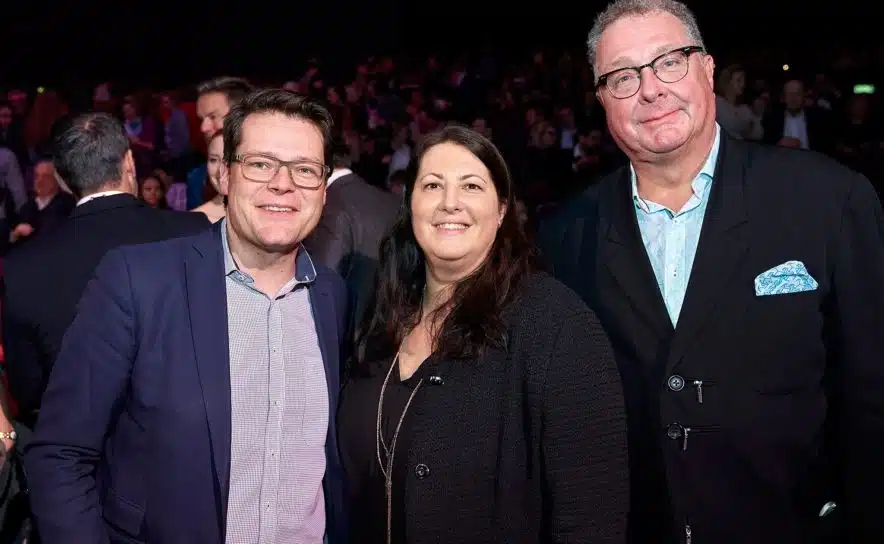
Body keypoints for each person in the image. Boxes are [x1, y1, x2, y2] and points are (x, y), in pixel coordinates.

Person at [538, 1, 884, 542]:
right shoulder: (564, 236)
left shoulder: (828, 199)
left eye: (669, 61)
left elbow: (870, 392)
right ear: (602, 100)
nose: (650, 89)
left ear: (707, 69)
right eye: (623, 76)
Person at [25, 89, 348, 543]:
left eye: (305, 169)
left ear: (323, 186)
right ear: (224, 175)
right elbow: (60, 455)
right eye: (260, 164)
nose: (283, 183)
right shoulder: (139, 280)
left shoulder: (331, 295)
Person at [339, 125, 629, 543]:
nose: (450, 203)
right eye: (433, 185)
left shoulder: (555, 323)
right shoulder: (378, 314)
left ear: (501, 211)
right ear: (411, 204)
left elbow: (592, 514)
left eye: (471, 186)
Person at [1, 113, 208, 422]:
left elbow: (29, 390)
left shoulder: (22, 267)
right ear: (129, 163)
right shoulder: (195, 232)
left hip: (81, 450)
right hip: (189, 438)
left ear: (60, 178)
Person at [304, 137, 398, 330]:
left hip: (346, 339)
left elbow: (323, 291)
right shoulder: (389, 200)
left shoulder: (331, 206)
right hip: (387, 330)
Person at [192, 131, 227, 222]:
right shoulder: (194, 222)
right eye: (213, 160)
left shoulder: (264, 216)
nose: (220, 170)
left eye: (230, 159)